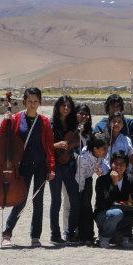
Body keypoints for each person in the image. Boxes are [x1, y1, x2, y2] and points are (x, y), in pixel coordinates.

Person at [0, 87, 56, 248]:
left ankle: (35, 237)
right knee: (20, 200)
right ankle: (7, 233)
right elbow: (2, 136)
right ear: (24, 102)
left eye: (35, 101)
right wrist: (6, 120)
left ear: (40, 102)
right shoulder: (16, 118)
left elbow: (49, 147)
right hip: (22, 166)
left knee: (38, 202)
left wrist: (51, 167)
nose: (32, 104)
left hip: (40, 166)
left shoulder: (44, 122)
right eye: (29, 101)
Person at [49, 95, 80, 244]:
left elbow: (77, 141)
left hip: (70, 166)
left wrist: (72, 144)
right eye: (63, 105)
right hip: (55, 165)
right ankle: (55, 234)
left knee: (75, 200)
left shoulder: (74, 124)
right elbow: (45, 145)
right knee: (56, 201)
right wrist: (56, 145)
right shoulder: (51, 124)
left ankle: (70, 232)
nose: (66, 108)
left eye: (68, 106)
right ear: (58, 107)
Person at [94, 150, 133, 248]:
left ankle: (123, 237)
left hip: (122, 213)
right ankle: (104, 238)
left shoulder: (130, 179)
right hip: (104, 214)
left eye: (122, 164)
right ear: (110, 164)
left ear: (126, 166)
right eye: (116, 163)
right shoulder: (102, 180)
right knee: (116, 213)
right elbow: (104, 202)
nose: (119, 166)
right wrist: (114, 183)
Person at [75, 132, 109, 244]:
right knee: (80, 206)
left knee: (87, 206)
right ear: (95, 149)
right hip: (78, 180)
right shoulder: (83, 158)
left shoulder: (101, 154)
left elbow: (106, 164)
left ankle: (89, 235)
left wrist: (102, 170)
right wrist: (80, 192)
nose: (105, 151)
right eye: (103, 149)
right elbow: (79, 176)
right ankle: (80, 235)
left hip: (88, 178)